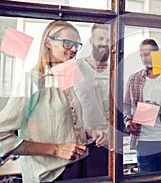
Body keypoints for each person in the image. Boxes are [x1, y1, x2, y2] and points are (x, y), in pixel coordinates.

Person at [0, 20, 107, 182]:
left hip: (78, 166)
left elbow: (62, 127)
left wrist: (89, 133)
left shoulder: (67, 78)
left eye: (76, 44)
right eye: (67, 43)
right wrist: (56, 150)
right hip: (50, 175)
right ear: (48, 42)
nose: (74, 50)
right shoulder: (32, 81)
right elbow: (2, 135)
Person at [123, 39, 161, 173]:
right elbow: (126, 106)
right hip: (143, 140)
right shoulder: (134, 79)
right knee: (145, 179)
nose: (144, 59)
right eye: (141, 55)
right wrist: (128, 121)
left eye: (147, 54)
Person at [74, 23, 110, 176]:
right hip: (79, 142)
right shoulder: (75, 67)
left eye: (109, 40)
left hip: (106, 144)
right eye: (100, 38)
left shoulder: (115, 70)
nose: (104, 43)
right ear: (91, 40)